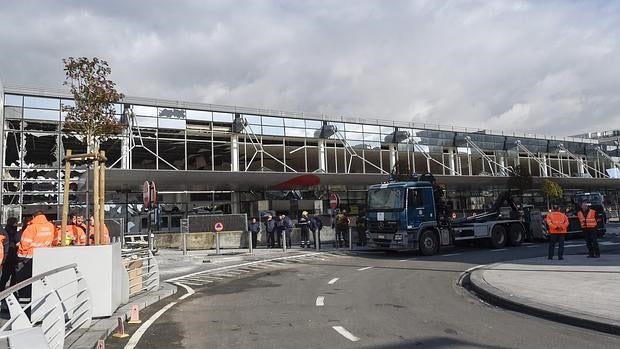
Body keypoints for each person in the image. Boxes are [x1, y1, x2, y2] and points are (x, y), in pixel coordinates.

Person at [16, 211, 55, 306]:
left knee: (25, 284)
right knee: (40, 284)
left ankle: (24, 307)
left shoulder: (31, 227)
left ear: (34, 217)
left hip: (28, 259)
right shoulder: (50, 226)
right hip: (45, 258)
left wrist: (20, 258)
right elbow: (54, 241)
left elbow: (24, 245)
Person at [0, 217, 20, 291]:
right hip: (12, 256)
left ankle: (2, 290)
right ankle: (12, 291)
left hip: (7, 257)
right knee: (13, 276)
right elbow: (16, 244)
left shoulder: (4, 231)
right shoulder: (14, 233)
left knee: (5, 276)